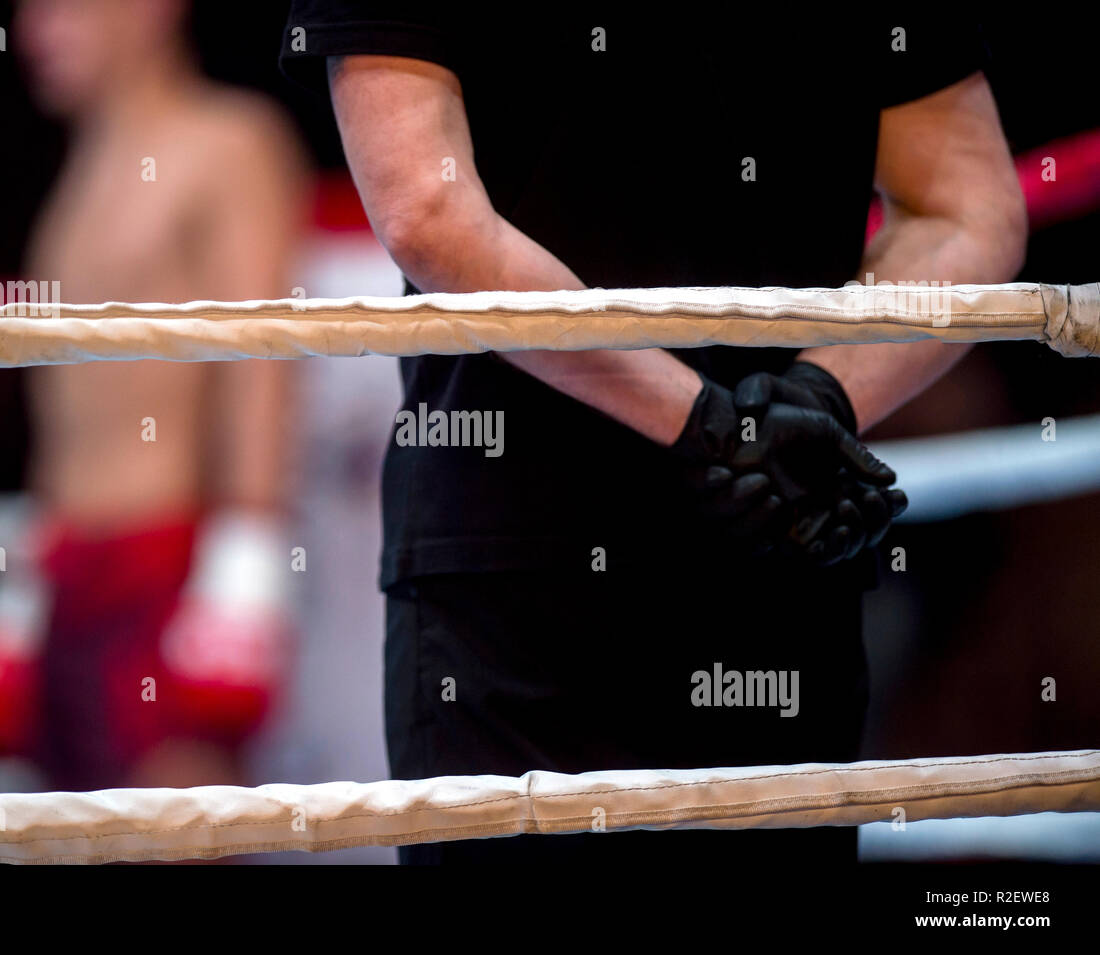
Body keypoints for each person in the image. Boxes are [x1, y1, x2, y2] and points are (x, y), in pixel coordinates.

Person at [282, 6, 1027, 863]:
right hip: (755, 515)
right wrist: (781, 415)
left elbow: (426, 208)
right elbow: (966, 212)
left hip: (639, 541)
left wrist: (744, 420)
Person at [0, 0, 309, 791]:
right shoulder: (78, 174)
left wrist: (244, 572)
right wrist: (20, 591)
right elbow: (68, 411)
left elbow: (260, 366)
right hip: (71, 565)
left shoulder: (229, 142)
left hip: (164, 567)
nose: (37, 29)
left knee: (167, 841)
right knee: (70, 845)